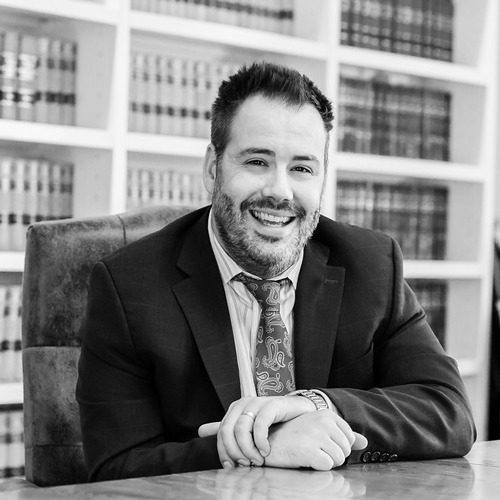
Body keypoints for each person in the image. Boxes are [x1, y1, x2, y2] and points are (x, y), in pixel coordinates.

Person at [76, 62, 476, 481]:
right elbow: (115, 468)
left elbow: (449, 412)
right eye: (257, 161)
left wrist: (317, 405)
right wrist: (260, 446)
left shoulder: (371, 265)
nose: (280, 192)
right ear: (213, 168)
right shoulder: (129, 287)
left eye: (302, 168)